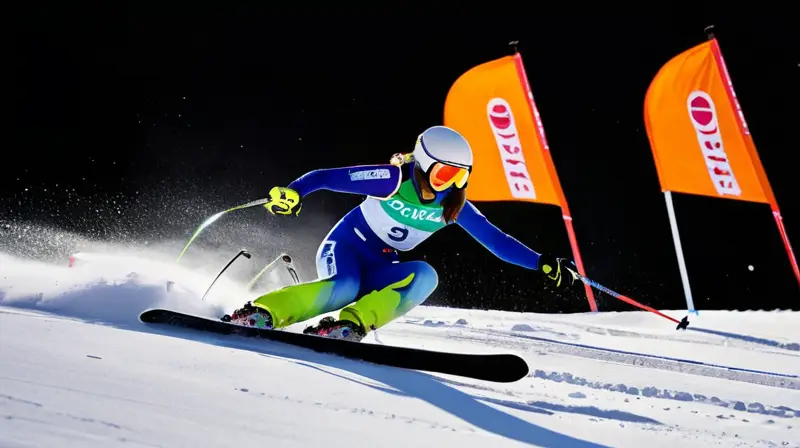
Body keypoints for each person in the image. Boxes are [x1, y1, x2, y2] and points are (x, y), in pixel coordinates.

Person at [223, 125, 577, 340]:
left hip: (380, 265)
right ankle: (263, 312)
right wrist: (295, 192)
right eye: (443, 175)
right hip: (345, 247)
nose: (448, 185)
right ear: (422, 166)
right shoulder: (392, 181)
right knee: (344, 287)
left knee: (425, 275)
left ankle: (351, 327)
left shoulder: (453, 207)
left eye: (460, 177)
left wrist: (542, 263)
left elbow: (496, 241)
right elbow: (325, 176)